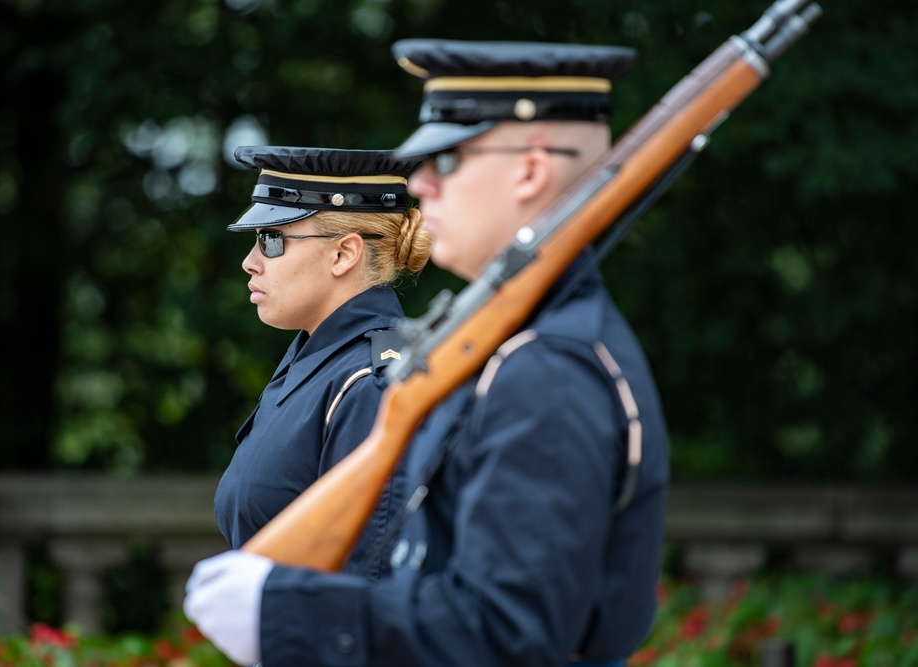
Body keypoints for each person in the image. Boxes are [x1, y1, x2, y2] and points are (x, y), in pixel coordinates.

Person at [185, 40, 670, 667]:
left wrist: (286, 611)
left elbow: (506, 632)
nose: (419, 183)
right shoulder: (524, 346)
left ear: (530, 168)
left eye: (448, 158)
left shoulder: (546, 368)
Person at [213, 146, 432, 578]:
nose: (249, 262)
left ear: (343, 254)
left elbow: (371, 579)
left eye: (271, 239)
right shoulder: (320, 357)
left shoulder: (371, 382)